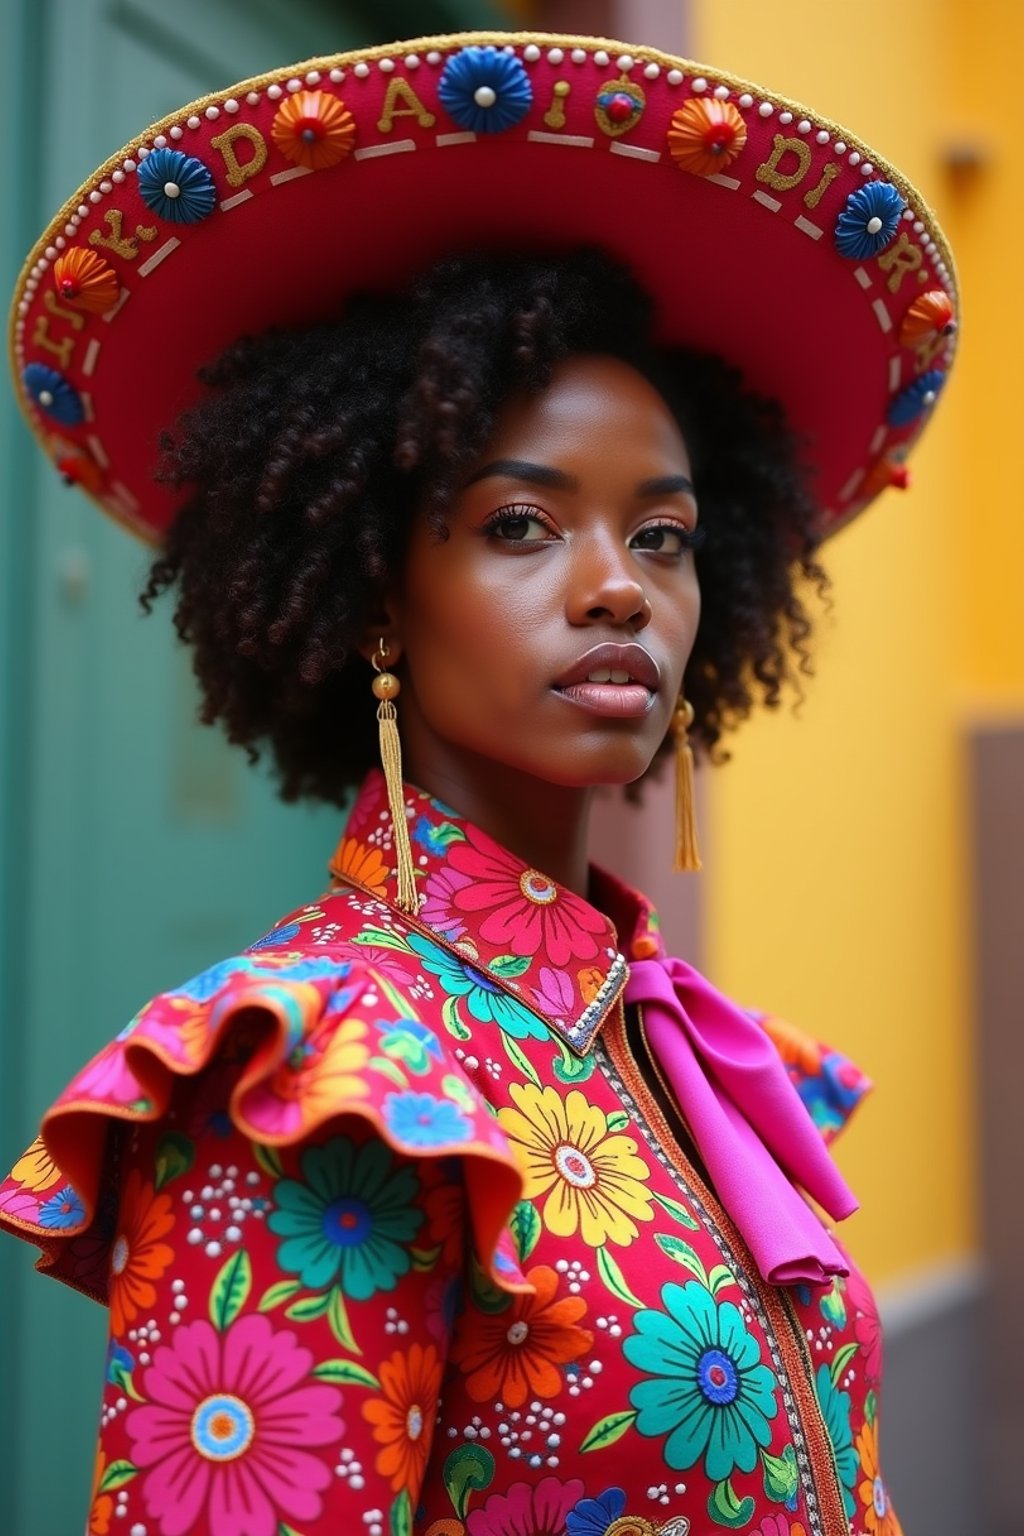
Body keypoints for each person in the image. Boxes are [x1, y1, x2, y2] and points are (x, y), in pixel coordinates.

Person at [1, 29, 956, 1536]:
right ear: (375, 590)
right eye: (523, 524)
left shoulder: (697, 1059)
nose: (619, 590)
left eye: (663, 537)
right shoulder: (314, 1085)